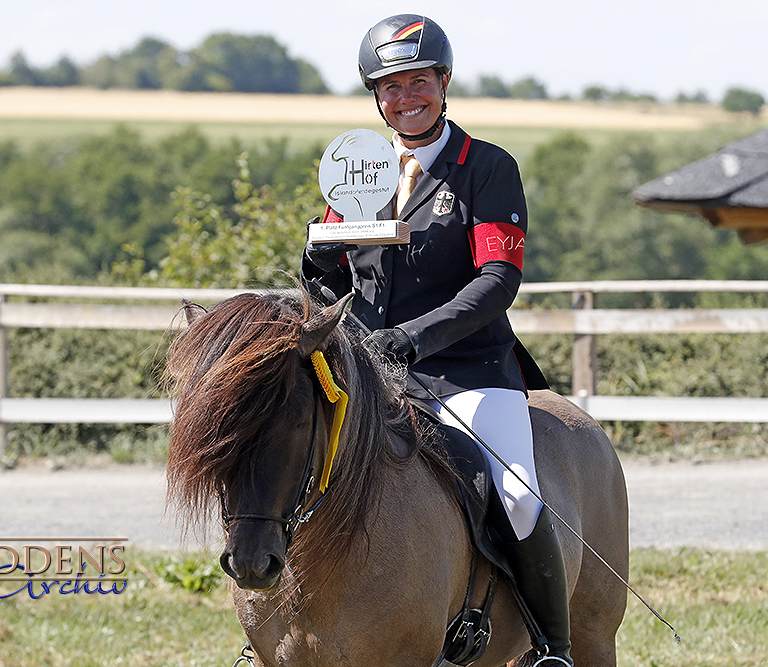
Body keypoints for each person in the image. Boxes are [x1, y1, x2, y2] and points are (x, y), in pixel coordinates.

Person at [301, 14, 573, 667]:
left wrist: (413, 338)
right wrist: (314, 261)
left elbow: (497, 281)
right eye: (389, 88)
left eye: (417, 81)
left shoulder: (485, 169)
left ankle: (552, 645)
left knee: (516, 491)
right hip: (370, 373)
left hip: (468, 371)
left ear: (443, 82)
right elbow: (335, 275)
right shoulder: (359, 171)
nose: (404, 98)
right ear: (375, 97)